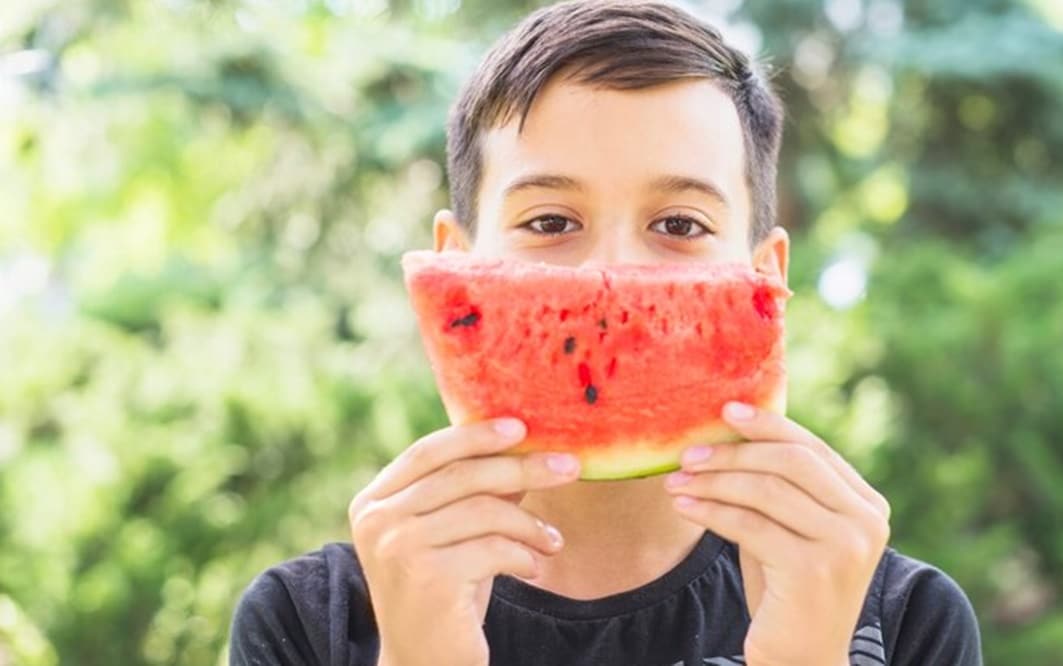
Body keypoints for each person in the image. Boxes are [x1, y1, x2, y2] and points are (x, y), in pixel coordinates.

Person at [228, 1, 982, 664]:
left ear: (766, 279)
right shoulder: (310, 623)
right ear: (459, 268)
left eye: (680, 224)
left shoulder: (900, 619)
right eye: (550, 222)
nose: (611, 275)